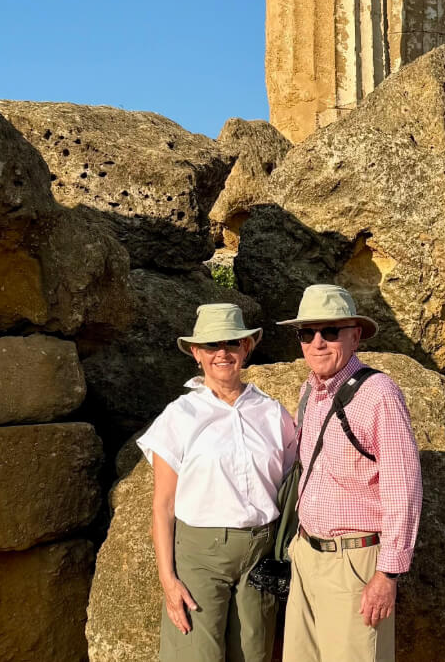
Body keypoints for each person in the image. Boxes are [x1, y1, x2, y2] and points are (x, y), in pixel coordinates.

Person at [137, 303, 296, 662]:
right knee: (198, 656)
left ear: (247, 347)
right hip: (200, 557)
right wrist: (168, 580)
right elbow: (163, 506)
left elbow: (291, 486)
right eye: (211, 346)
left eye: (232, 343)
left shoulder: (272, 412)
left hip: (260, 552)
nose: (222, 353)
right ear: (196, 353)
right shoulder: (180, 415)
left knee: (255, 653)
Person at [278, 284, 423, 662]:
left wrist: (387, 575)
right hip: (307, 556)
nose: (317, 343)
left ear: (355, 336)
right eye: (307, 333)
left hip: (354, 565)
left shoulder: (379, 394)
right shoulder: (309, 391)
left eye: (330, 332)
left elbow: (403, 488)